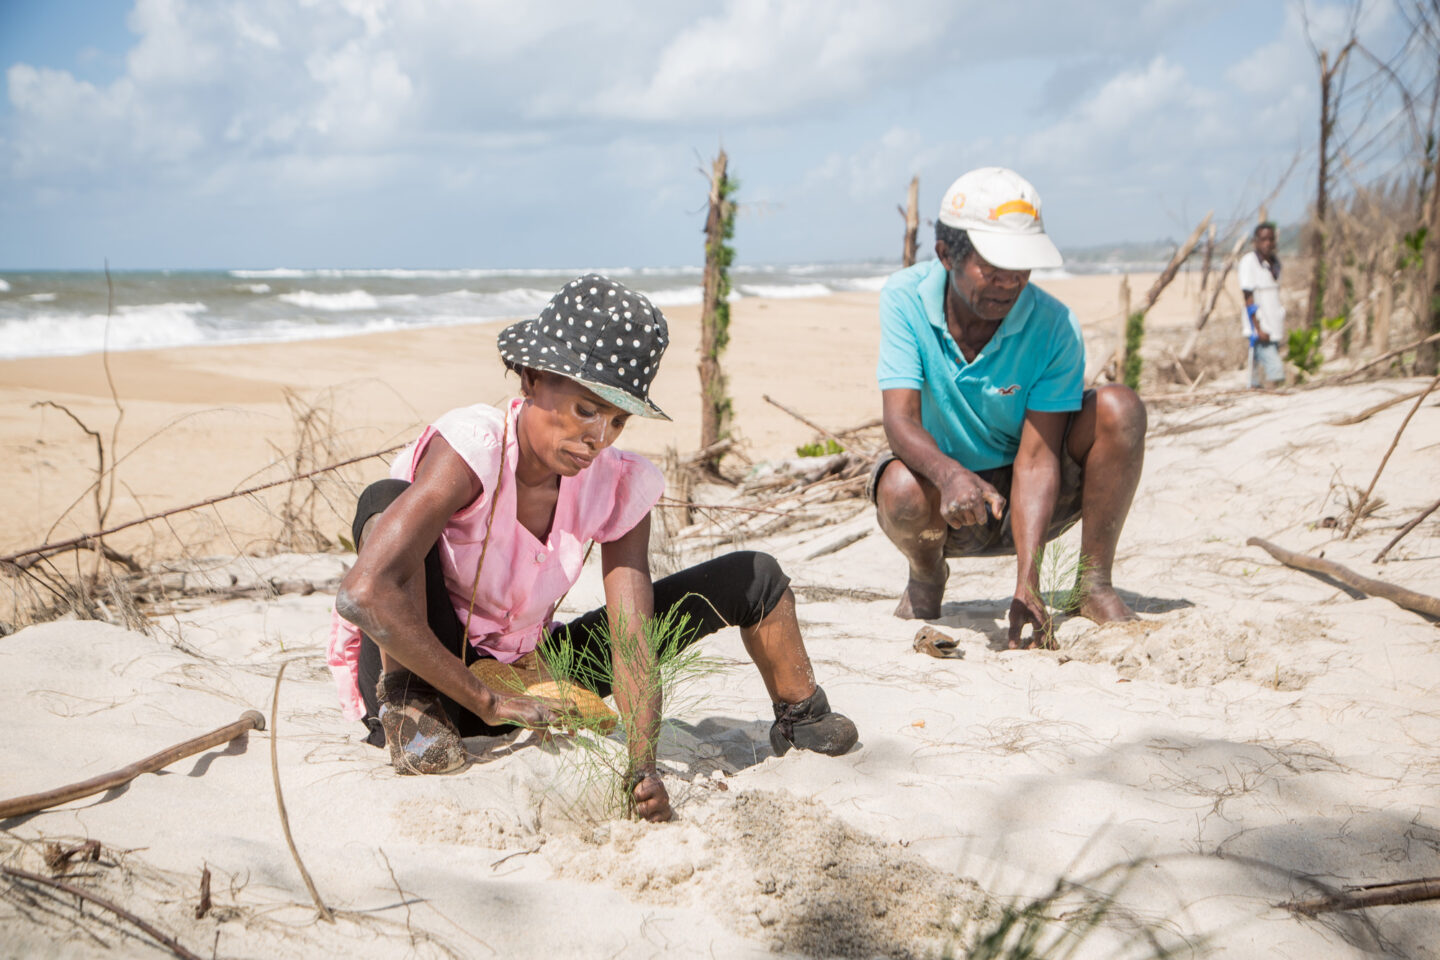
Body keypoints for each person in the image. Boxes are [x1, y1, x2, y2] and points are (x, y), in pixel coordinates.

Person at [328, 275, 857, 822]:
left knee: (755, 573)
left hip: (526, 678)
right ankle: (408, 712)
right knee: (386, 498)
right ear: (533, 379)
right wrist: (488, 702)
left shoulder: (616, 483)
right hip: (430, 677)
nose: (599, 437)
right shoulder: (474, 447)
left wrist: (643, 765)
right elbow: (363, 593)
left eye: (617, 420)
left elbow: (633, 642)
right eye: (586, 409)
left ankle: (804, 720)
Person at [870, 167, 1147, 648]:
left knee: (1119, 407)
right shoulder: (904, 299)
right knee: (896, 485)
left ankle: (1094, 585)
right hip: (943, 502)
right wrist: (951, 474)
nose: (1009, 283)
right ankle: (927, 573)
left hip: (1036, 495)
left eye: (1021, 268)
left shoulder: (1055, 325)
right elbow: (900, 420)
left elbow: (1038, 460)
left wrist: (1028, 583)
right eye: (993, 267)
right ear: (944, 255)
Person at [1238, 222, 1285, 388]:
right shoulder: (1248, 262)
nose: (1268, 243)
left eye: (1271, 239)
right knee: (1276, 369)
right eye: (1264, 239)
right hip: (1260, 326)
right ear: (1256, 241)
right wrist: (1257, 328)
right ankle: (1277, 399)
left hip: (1274, 324)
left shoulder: (1274, 263)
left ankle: (1255, 391)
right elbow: (1248, 296)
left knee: (1256, 371)